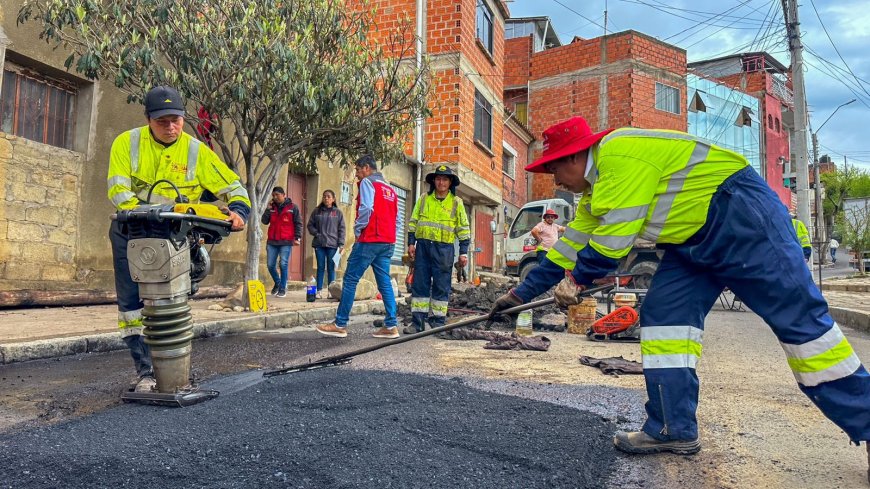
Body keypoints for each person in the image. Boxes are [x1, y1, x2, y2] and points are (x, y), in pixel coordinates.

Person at [490, 116, 869, 460]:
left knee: (802, 327)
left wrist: (577, 282)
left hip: (743, 220)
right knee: (664, 319)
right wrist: (519, 296)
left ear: (575, 158)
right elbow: (567, 249)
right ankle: (673, 428)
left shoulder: (620, 158)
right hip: (692, 241)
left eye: (554, 168)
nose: (555, 180)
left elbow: (611, 246)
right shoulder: (595, 192)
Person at [107, 86, 250, 392]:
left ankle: (174, 366)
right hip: (131, 231)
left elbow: (234, 186)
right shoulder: (127, 143)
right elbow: (119, 193)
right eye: (163, 121)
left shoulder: (196, 151)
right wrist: (156, 210)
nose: (171, 127)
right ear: (148, 119)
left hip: (173, 233)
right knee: (132, 303)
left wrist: (238, 211)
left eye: (176, 120)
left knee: (174, 299)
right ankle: (145, 371)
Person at [316, 155, 400, 339]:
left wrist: (359, 229)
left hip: (370, 240)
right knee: (384, 282)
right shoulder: (390, 190)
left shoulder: (368, 183)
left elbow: (366, 208)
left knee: (350, 279)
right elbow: (397, 218)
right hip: (388, 241)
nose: (357, 175)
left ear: (367, 168)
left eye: (358, 170)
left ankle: (340, 323)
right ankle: (391, 325)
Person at [403, 165, 471, 334]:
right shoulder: (424, 199)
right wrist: (411, 243)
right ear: (434, 181)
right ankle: (417, 323)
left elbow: (463, 229)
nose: (441, 182)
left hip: (444, 250)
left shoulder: (457, 203)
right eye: (438, 179)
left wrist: (463, 252)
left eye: (445, 179)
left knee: (442, 286)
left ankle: (438, 323)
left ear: (450, 183)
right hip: (423, 248)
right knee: (420, 285)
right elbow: (413, 222)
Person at [261, 186, 303, 297]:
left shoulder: (293, 207)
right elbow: (264, 221)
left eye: (277, 195)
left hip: (286, 240)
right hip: (272, 241)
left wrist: (298, 237)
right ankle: (278, 282)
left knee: (283, 264)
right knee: (270, 265)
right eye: (273, 195)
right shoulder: (272, 208)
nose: (275, 197)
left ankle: (282, 288)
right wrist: (267, 209)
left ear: (284, 195)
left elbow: (298, 223)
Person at [307, 190, 346, 298]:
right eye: (324, 197)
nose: (326, 199)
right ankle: (319, 291)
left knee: (330, 268)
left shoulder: (338, 213)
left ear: (333, 199)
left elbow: (342, 229)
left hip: (333, 245)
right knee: (320, 267)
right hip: (319, 244)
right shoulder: (317, 211)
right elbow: (310, 225)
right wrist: (317, 233)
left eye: (329, 197)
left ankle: (331, 291)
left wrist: (341, 244)